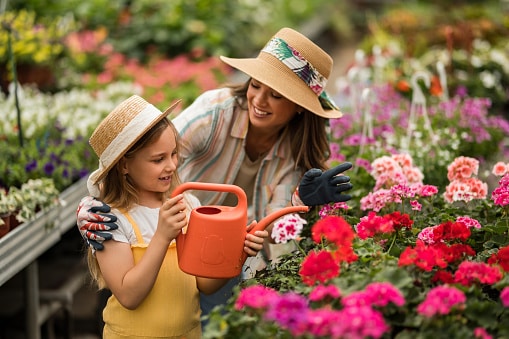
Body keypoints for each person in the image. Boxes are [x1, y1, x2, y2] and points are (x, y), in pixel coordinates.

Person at [77, 27, 353, 322]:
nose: (259, 100)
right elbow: (146, 151)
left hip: (238, 259)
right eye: (255, 86)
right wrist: (92, 205)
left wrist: (301, 201)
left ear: (299, 107)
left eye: (275, 95)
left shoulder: (299, 152)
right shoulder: (215, 112)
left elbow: (274, 231)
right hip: (178, 232)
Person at [83, 95, 268, 338]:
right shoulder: (110, 219)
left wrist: (239, 252)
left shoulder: (188, 205)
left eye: (173, 154)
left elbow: (203, 284)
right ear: (124, 166)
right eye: (158, 159)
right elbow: (129, 296)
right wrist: (162, 235)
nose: (171, 165)